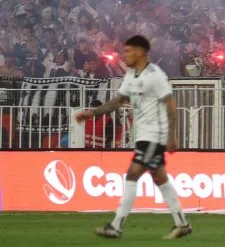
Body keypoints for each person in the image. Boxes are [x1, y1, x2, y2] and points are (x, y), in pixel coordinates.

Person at [75, 35, 192, 240]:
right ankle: (182, 223)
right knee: (160, 178)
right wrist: (91, 113)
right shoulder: (130, 76)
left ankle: (116, 226)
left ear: (140, 52)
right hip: (144, 136)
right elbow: (118, 102)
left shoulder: (155, 75)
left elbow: (171, 105)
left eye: (128, 51)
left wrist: (172, 136)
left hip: (154, 135)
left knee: (132, 174)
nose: (124, 55)